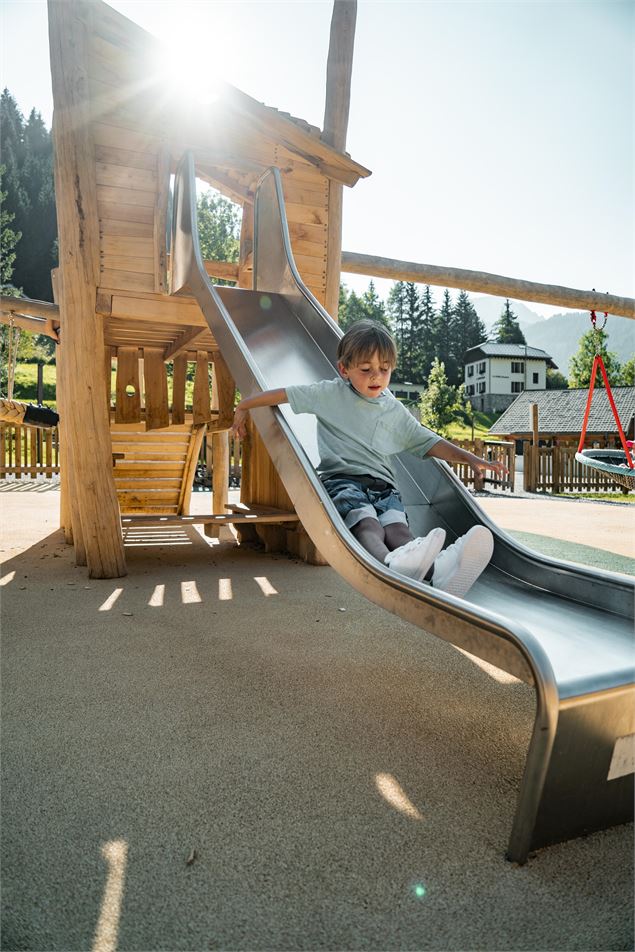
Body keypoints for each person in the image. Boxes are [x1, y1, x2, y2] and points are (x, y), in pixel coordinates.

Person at [232, 320, 507, 597]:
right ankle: (389, 566)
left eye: (384, 369)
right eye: (365, 369)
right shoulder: (329, 394)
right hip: (343, 482)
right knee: (368, 525)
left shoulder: (393, 410)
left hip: (384, 487)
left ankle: (437, 573)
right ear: (344, 369)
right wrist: (244, 405)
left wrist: (470, 458)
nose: (376, 376)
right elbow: (285, 394)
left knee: (399, 532)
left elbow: (428, 441)